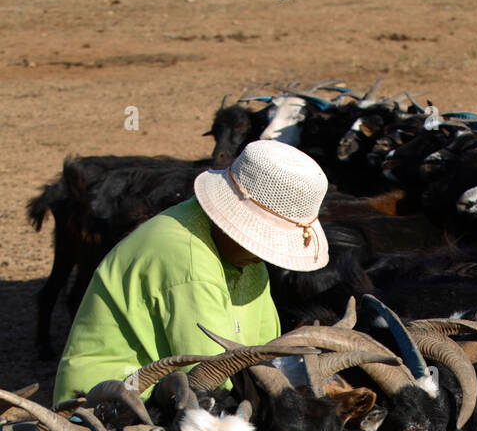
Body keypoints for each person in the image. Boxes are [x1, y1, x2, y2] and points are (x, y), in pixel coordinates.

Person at [53, 140, 329, 402]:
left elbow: (266, 351)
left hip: (179, 394)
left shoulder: (244, 258)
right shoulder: (186, 257)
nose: (263, 254)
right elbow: (210, 376)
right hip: (114, 400)